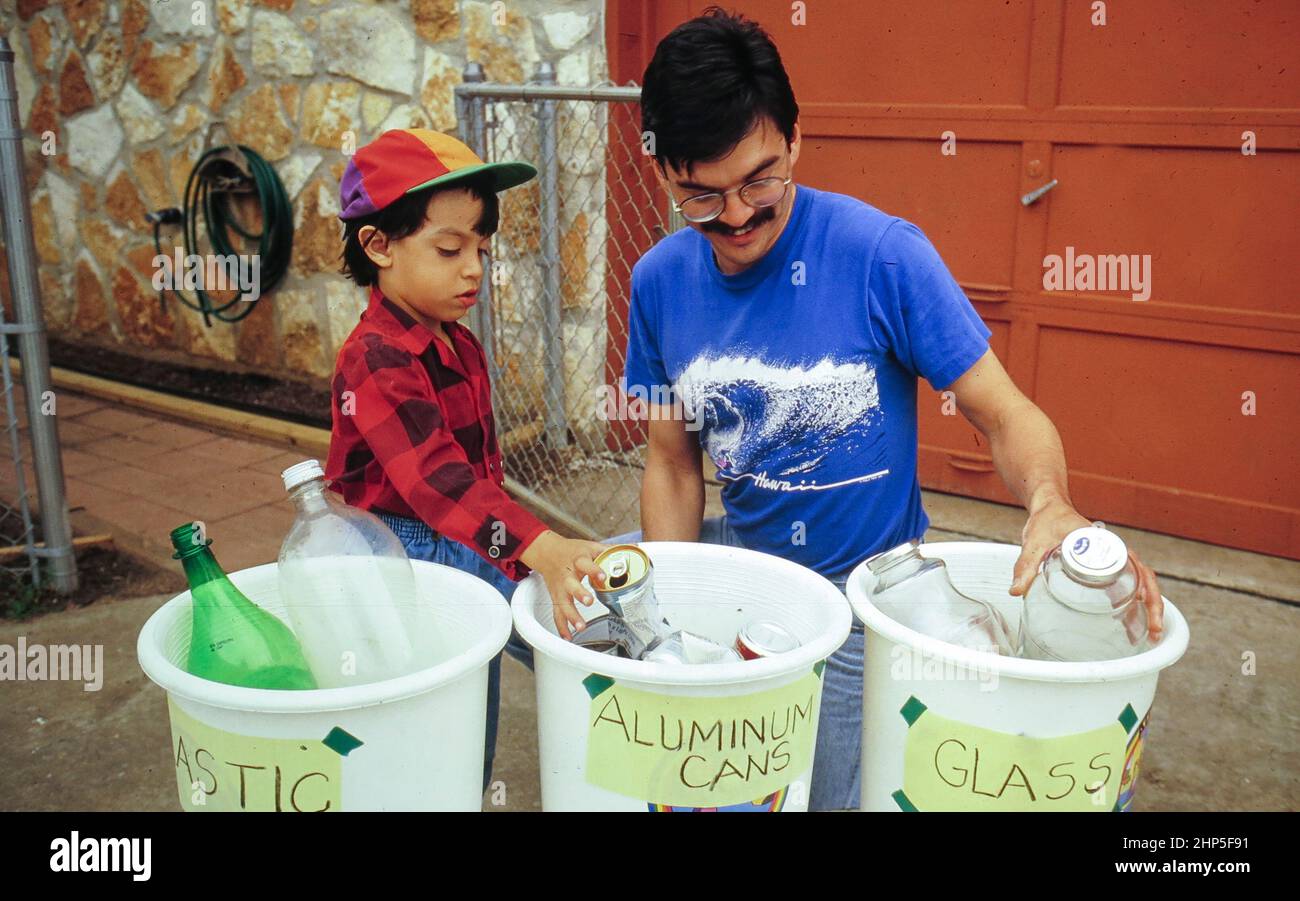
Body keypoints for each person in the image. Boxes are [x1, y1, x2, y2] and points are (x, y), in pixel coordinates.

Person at [617, 8, 1166, 810]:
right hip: (750, 573)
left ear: (796, 141)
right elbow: (670, 460)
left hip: (863, 599)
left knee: (828, 800)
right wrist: (670, 606)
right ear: (664, 172)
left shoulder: (881, 255)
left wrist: (1052, 503)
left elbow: (1005, 413)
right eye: (701, 196)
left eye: (759, 182)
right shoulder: (660, 281)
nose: (735, 217)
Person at [327, 128, 607, 791]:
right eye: (449, 249)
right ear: (378, 245)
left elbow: (478, 485)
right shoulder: (373, 357)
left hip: (468, 540)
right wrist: (540, 544)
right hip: (400, 558)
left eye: (482, 248)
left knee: (478, 710)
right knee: (430, 722)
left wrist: (531, 543)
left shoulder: (457, 345)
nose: (474, 268)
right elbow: (438, 480)